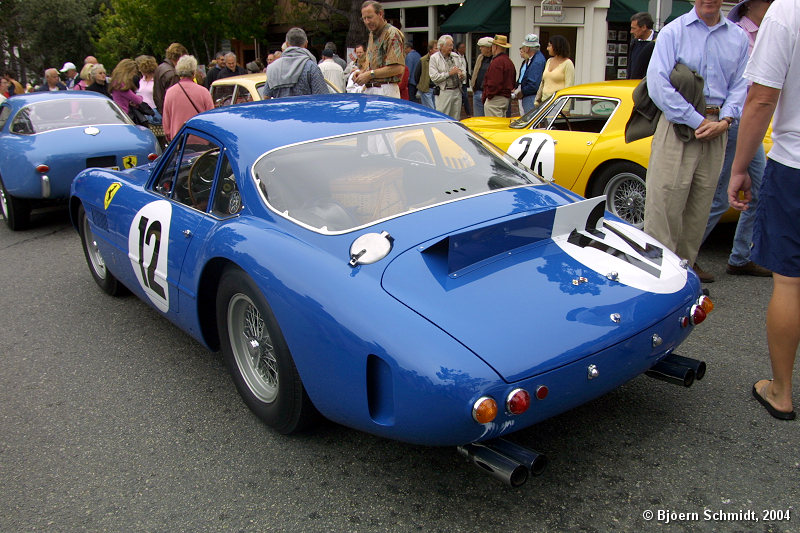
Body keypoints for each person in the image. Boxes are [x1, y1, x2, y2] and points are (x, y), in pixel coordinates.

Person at [726, 0, 799, 420]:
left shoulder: (787, 11)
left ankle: (781, 392)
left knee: (790, 282)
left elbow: (761, 98)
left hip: (796, 163)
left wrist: (740, 167)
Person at [643, 0, 748, 270]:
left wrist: (725, 120)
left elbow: (741, 85)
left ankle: (685, 274)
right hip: (678, 125)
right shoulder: (673, 32)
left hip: (718, 128)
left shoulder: (738, 38)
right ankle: (659, 276)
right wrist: (697, 120)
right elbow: (657, 83)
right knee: (663, 207)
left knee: (699, 211)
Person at [696, 0, 774, 283]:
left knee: (759, 189)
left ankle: (741, 256)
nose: (773, 6)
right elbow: (738, 83)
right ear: (751, 5)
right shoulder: (738, 33)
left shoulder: (767, 32)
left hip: (750, 121)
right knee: (719, 194)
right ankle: (684, 257)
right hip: (734, 119)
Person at [353, 1, 405, 99]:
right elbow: (374, 65)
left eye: (370, 17)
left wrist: (369, 75)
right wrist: (362, 73)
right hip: (372, 90)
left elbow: (398, 68)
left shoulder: (392, 33)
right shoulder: (372, 34)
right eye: (364, 18)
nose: (367, 22)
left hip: (386, 90)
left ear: (380, 14)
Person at [265, 27, 329, 98]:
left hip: (280, 105)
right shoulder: (311, 67)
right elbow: (322, 96)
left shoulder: (273, 68)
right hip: (305, 105)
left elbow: (266, 96)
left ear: (287, 44)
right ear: (306, 44)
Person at [162, 55, 213, 141]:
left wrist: (169, 136)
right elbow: (211, 117)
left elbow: (166, 120)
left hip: (179, 138)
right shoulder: (203, 92)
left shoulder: (170, 92)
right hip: (201, 138)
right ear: (194, 72)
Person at [429, 35, 466, 119]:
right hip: (444, 92)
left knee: (455, 119)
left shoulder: (456, 56)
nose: (451, 48)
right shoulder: (434, 58)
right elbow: (434, 77)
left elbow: (464, 71)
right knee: (443, 118)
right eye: (449, 45)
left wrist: (461, 74)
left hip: (457, 91)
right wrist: (449, 73)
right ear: (441, 46)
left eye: (452, 45)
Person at [535, 35, 574, 106]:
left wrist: (565, 107)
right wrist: (537, 99)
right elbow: (543, 82)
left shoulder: (568, 63)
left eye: (549, 46)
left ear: (557, 46)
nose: (547, 48)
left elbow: (569, 87)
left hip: (558, 103)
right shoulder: (549, 61)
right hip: (544, 102)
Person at [512, 34, 546, 115]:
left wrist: (522, 92)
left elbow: (533, 85)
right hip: (530, 96)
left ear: (527, 48)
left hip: (531, 97)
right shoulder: (534, 59)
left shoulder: (537, 61)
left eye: (524, 46)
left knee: (530, 118)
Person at [482, 35, 515, 117]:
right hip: (505, 98)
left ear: (495, 47)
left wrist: (488, 95)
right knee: (501, 122)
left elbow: (494, 83)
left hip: (495, 99)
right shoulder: (509, 61)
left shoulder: (497, 62)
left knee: (493, 123)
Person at [153, 42, 188, 114]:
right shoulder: (172, 74)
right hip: (170, 111)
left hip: (161, 108)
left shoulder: (160, 68)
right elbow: (174, 98)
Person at [627, 12, 657, 79]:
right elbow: (630, 68)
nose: (631, 31)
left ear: (644, 27)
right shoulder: (634, 43)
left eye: (634, 28)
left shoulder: (658, 43)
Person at [470, 37, 494, 117]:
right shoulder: (480, 57)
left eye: (482, 46)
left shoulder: (495, 59)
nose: (480, 48)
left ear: (488, 48)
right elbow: (475, 71)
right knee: (478, 118)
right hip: (477, 92)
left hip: (488, 94)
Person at [135, 55, 161, 124]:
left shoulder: (157, 80)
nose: (139, 70)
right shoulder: (141, 81)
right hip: (142, 112)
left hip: (155, 112)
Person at [415, 40, 437, 109]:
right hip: (426, 88)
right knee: (430, 109)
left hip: (436, 89)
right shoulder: (423, 60)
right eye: (436, 48)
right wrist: (422, 84)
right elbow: (417, 75)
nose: (438, 50)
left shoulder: (439, 60)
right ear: (430, 50)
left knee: (435, 109)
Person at [456, 42, 472, 117]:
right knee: (463, 97)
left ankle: (468, 113)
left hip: (464, 81)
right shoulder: (455, 57)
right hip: (459, 82)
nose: (464, 49)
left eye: (465, 47)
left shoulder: (464, 57)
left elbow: (465, 69)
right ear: (458, 49)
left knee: (465, 97)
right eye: (462, 47)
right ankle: (467, 113)